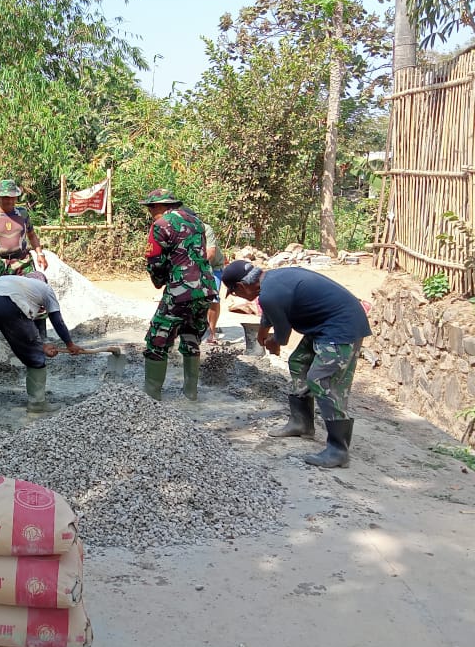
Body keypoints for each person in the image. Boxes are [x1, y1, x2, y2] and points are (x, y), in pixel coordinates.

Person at [221, 260, 371, 469]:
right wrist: (262, 335)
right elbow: (269, 315)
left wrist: (273, 342)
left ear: (241, 286)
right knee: (298, 361)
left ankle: (339, 450)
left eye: (234, 292)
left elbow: (282, 336)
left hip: (341, 327)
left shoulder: (269, 293)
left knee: (320, 379)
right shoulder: (272, 281)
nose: (237, 296)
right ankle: (301, 423)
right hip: (325, 325)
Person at [139, 189, 217, 401]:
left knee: (157, 338)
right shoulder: (196, 222)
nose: (150, 213)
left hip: (181, 288)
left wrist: (159, 281)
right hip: (205, 288)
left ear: (158, 207)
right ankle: (191, 393)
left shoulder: (161, 225)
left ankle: (151, 395)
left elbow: (155, 261)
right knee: (191, 335)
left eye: (150, 208)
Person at [0, 271, 83, 412]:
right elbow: (56, 320)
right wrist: (69, 344)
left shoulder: (13, 282)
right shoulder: (45, 289)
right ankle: (37, 403)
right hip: (8, 303)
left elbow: (20, 330)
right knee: (34, 356)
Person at [0, 179, 48, 288]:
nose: (10, 201)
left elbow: (31, 235)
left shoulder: (22, 214)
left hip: (22, 261)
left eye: (12, 198)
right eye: (6, 198)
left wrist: (40, 254)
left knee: (36, 289)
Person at [203, 221, 226, 343]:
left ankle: (212, 333)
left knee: (213, 298)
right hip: (194, 266)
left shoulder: (205, 229)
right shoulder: (179, 229)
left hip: (214, 266)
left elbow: (210, 254)